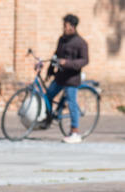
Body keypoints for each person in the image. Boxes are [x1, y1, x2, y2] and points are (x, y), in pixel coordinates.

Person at [45, 13, 88, 144]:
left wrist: (67, 63)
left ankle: (75, 132)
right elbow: (56, 56)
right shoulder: (62, 40)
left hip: (72, 79)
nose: (63, 28)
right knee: (47, 96)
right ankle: (47, 120)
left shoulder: (81, 43)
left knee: (71, 103)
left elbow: (84, 60)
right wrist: (50, 70)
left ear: (72, 27)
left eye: (65, 25)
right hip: (59, 77)